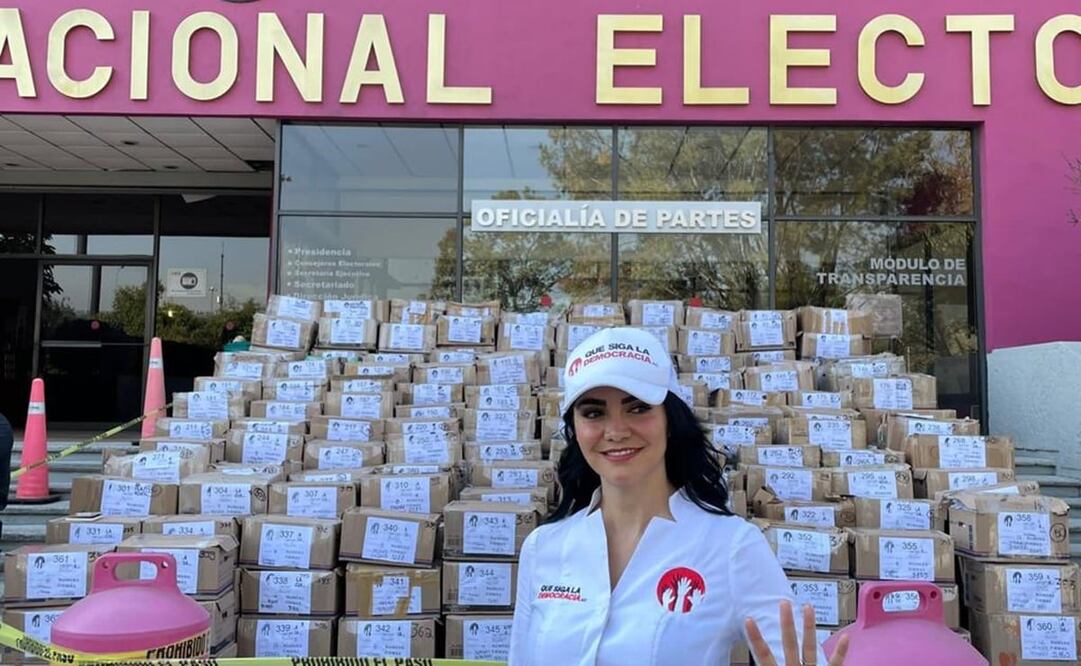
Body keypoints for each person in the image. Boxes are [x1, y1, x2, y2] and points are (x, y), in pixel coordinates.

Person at [509, 328, 846, 666]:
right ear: (575, 429)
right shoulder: (543, 548)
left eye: (638, 408)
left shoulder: (731, 547)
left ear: (670, 419)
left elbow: (799, 658)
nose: (616, 431)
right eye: (594, 413)